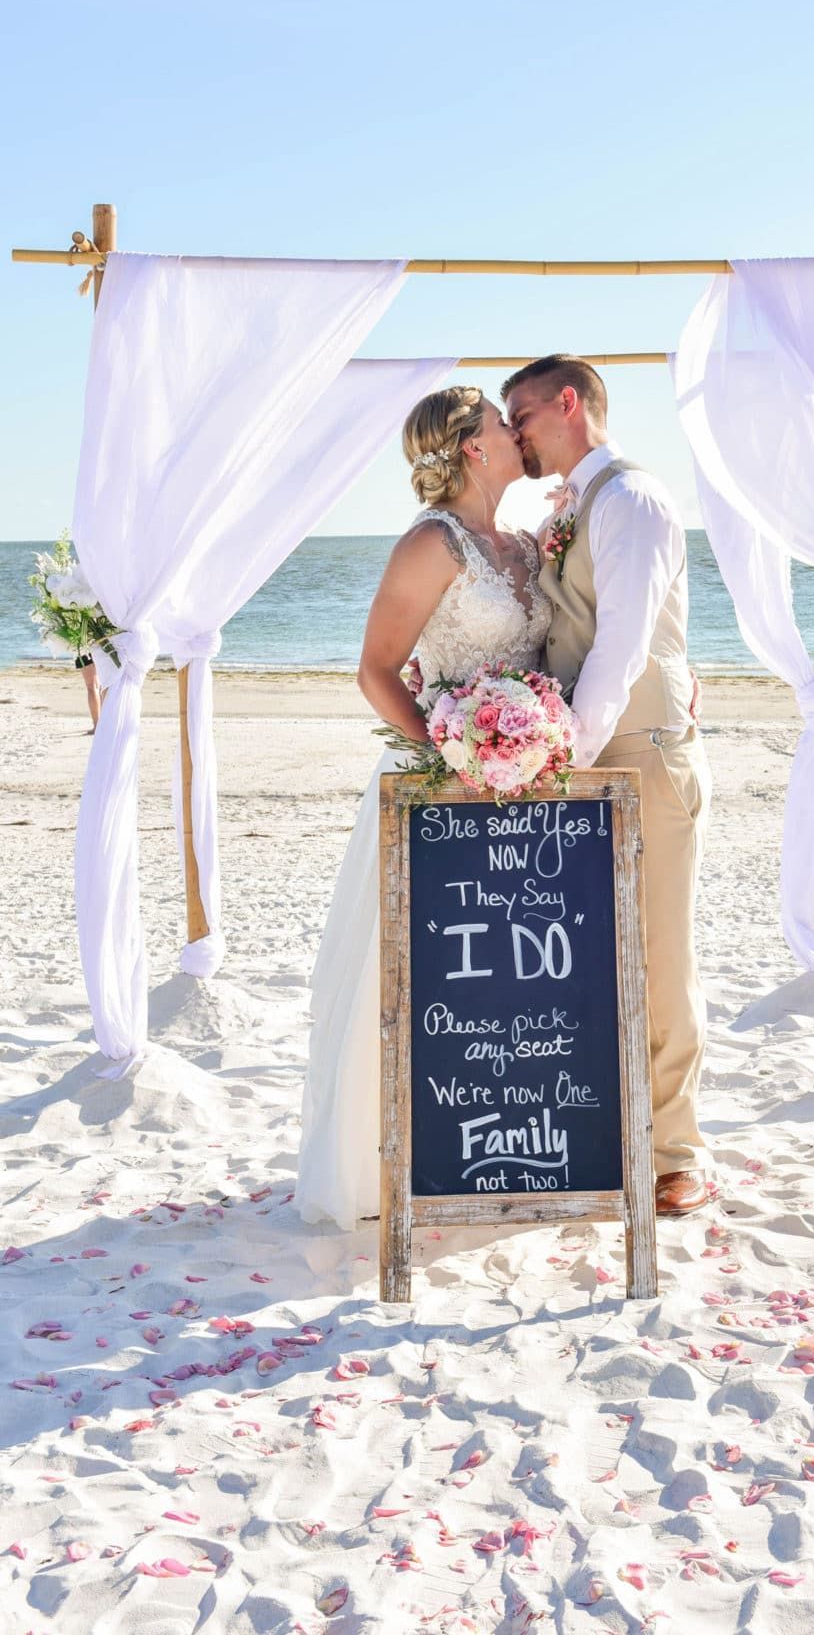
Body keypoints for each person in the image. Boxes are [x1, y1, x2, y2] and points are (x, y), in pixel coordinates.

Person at [295, 385, 550, 1229]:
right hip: (446, 788)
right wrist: (449, 756)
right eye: (501, 425)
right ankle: (400, 1160)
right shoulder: (430, 544)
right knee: (428, 976)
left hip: (521, 788)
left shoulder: (520, 543)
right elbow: (376, 669)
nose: (517, 433)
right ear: (474, 448)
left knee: (513, 979)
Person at [503, 355, 713, 1219]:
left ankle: (677, 1151)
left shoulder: (632, 500)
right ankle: (607, 1127)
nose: (513, 432)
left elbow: (623, 645)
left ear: (567, 403)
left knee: (660, 950)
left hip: (636, 750)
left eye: (521, 414)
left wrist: (562, 759)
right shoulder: (572, 507)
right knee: (591, 951)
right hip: (588, 746)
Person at [75, 651, 101, 732]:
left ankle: (97, 725)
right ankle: (104, 723)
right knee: (100, 685)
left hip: (84, 647)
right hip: (100, 645)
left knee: (92, 686)